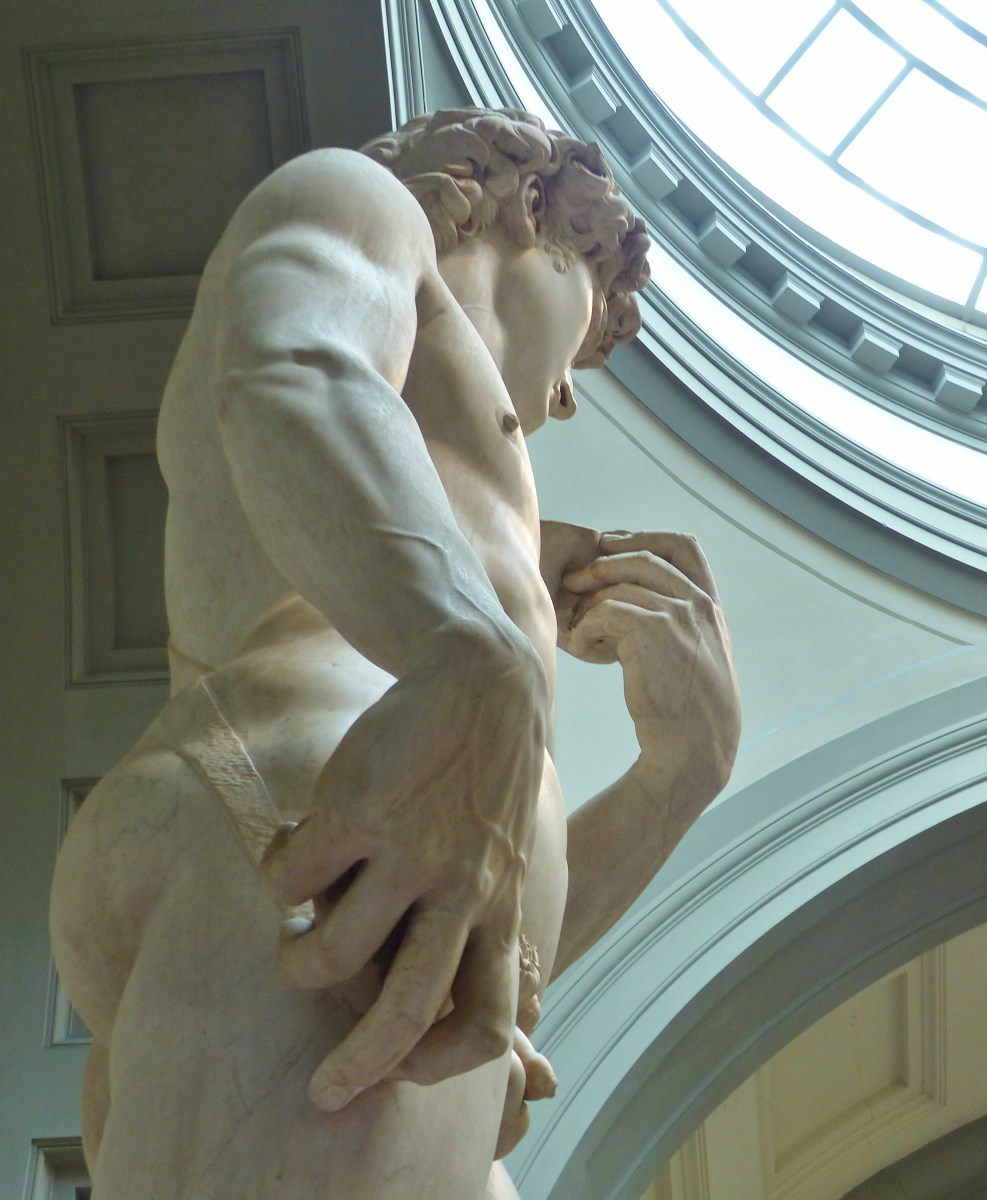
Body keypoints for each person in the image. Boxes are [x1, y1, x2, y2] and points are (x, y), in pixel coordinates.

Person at [50, 108, 741, 1199]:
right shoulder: (361, 202)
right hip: (292, 810)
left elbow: (480, 899)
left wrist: (678, 779)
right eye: (588, 317)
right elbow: (297, 364)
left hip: (364, 894)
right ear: (535, 211)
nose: (566, 395)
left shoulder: (461, 520)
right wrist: (477, 648)